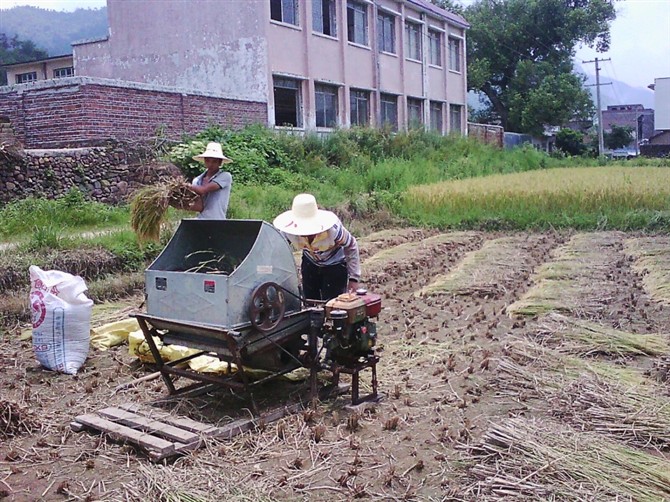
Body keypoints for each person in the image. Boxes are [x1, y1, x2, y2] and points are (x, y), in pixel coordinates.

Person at [273, 193, 361, 302]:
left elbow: (351, 245)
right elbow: (277, 248)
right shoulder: (288, 232)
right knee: (309, 302)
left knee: (332, 305)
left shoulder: (333, 230)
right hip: (310, 262)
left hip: (335, 265)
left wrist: (354, 278)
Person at [184, 142, 233, 219]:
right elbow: (199, 206)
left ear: (220, 163)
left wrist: (184, 185)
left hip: (217, 221)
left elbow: (203, 190)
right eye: (208, 161)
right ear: (204, 161)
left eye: (214, 161)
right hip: (201, 220)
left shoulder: (225, 176)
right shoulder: (197, 180)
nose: (210, 164)